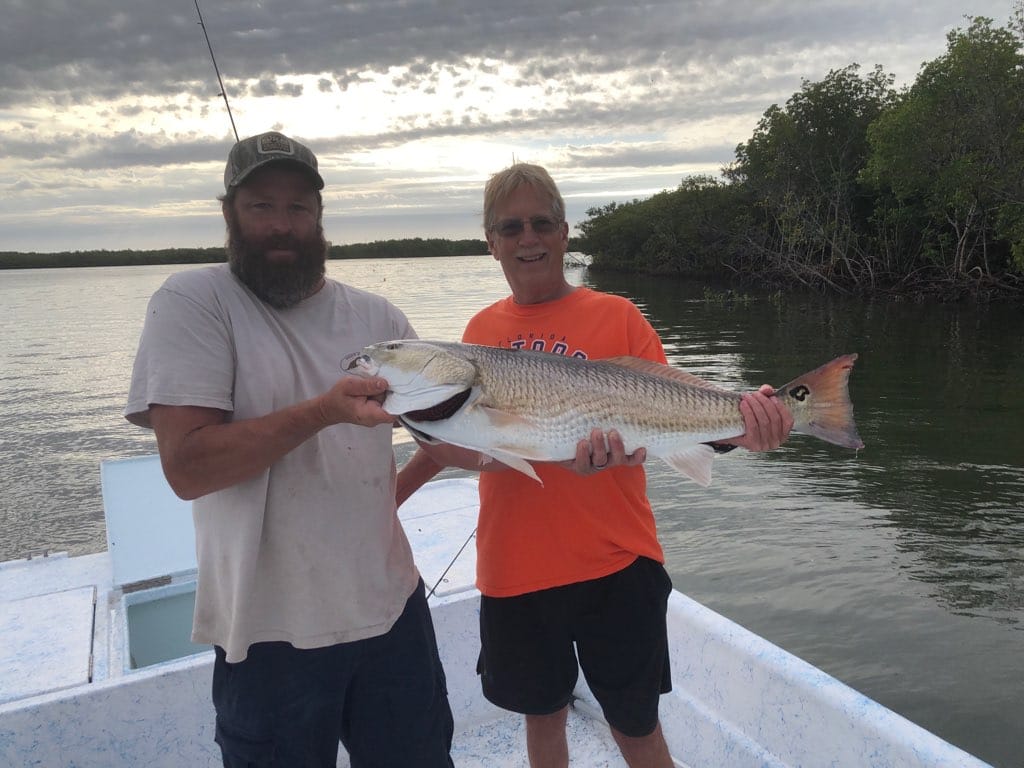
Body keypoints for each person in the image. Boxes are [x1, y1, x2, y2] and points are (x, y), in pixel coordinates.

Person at [396, 162, 793, 768]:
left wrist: (747, 425)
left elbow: (678, 409)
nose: (527, 237)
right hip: (516, 568)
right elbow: (461, 436)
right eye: (511, 227)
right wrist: (391, 493)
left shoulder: (618, 316)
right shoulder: (478, 333)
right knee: (542, 720)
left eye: (541, 223)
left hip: (618, 562)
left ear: (563, 232)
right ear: (491, 242)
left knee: (637, 728)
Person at [124, 131, 454, 768]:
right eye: (262, 206)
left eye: (299, 208)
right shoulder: (193, 301)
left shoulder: (378, 316)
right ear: (229, 214)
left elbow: (454, 442)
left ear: (321, 219)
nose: (283, 225)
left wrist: (557, 444)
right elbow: (188, 467)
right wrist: (323, 412)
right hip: (267, 631)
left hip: (391, 612)